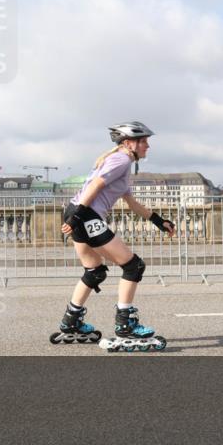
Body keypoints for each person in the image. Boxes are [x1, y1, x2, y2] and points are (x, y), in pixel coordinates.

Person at [50, 121, 176, 351]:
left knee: (95, 270)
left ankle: (71, 321)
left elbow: (132, 203)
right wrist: (78, 217)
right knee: (133, 266)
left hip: (79, 211)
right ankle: (125, 324)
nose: (147, 146)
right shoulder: (121, 159)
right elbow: (96, 185)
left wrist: (159, 221)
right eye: (144, 141)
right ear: (129, 143)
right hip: (85, 214)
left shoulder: (122, 164)